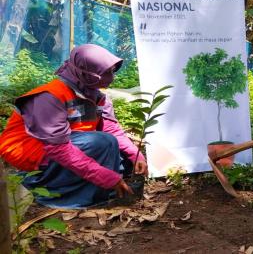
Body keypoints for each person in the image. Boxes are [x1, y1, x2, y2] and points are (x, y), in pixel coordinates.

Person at [0, 44, 148, 208]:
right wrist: (105, 177)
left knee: (123, 158)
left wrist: (136, 155)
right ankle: (54, 194)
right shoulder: (50, 97)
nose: (111, 77)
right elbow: (59, 149)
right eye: (105, 73)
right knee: (103, 143)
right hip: (34, 155)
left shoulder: (96, 95)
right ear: (87, 73)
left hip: (71, 144)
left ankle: (95, 189)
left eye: (112, 71)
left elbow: (110, 128)